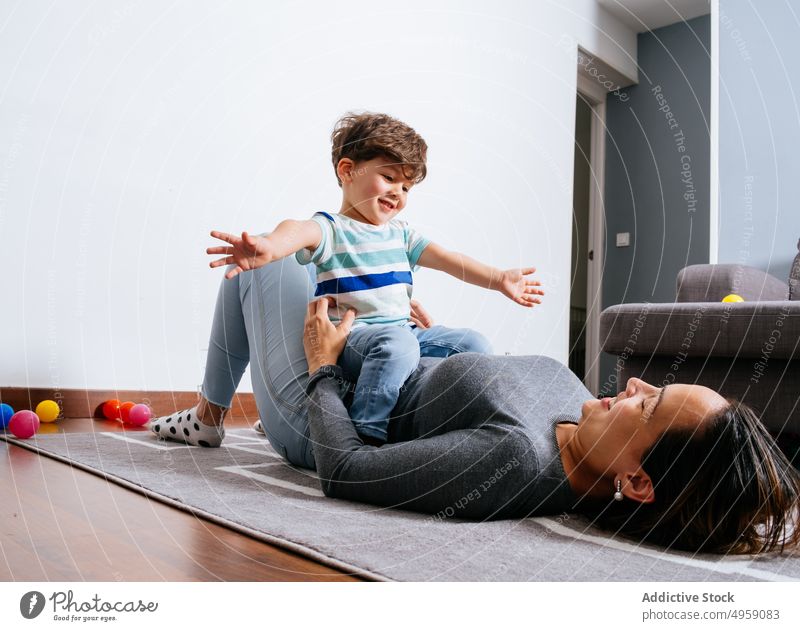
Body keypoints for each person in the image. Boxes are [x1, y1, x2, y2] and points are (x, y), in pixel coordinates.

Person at [149, 252, 800, 555]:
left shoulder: (513, 461)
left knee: (264, 260)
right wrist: (405, 332)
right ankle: (220, 411)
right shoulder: (584, 416)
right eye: (649, 384)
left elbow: (344, 468)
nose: (632, 386)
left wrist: (322, 365)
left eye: (648, 406)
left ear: (636, 480)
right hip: (388, 367)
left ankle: (212, 417)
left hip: (324, 412)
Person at [197, 112, 543, 444]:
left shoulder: (402, 235)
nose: (398, 193)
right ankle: (365, 430)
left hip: (401, 333)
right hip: (355, 340)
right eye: (390, 178)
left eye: (407, 187)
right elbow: (296, 229)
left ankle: (453, 414)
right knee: (397, 345)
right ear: (347, 170)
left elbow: (450, 260)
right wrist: (269, 246)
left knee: (473, 343)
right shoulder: (332, 229)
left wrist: (499, 278)